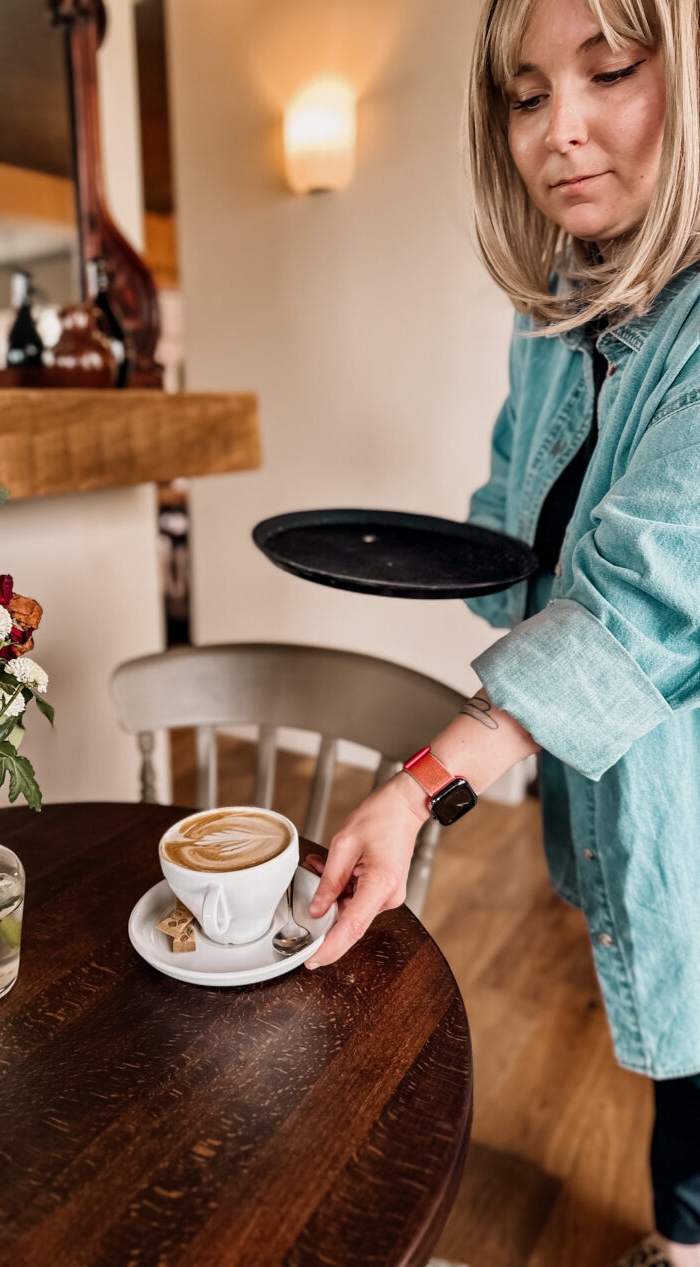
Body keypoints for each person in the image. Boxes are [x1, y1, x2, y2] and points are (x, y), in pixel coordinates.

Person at [302, 0, 700, 1262]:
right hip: (618, 776)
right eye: (526, 96)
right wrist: (451, 552)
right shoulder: (555, 308)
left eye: (611, 72)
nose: (557, 134)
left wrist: (419, 785)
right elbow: (512, 516)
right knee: (679, 1037)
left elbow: (646, 601)